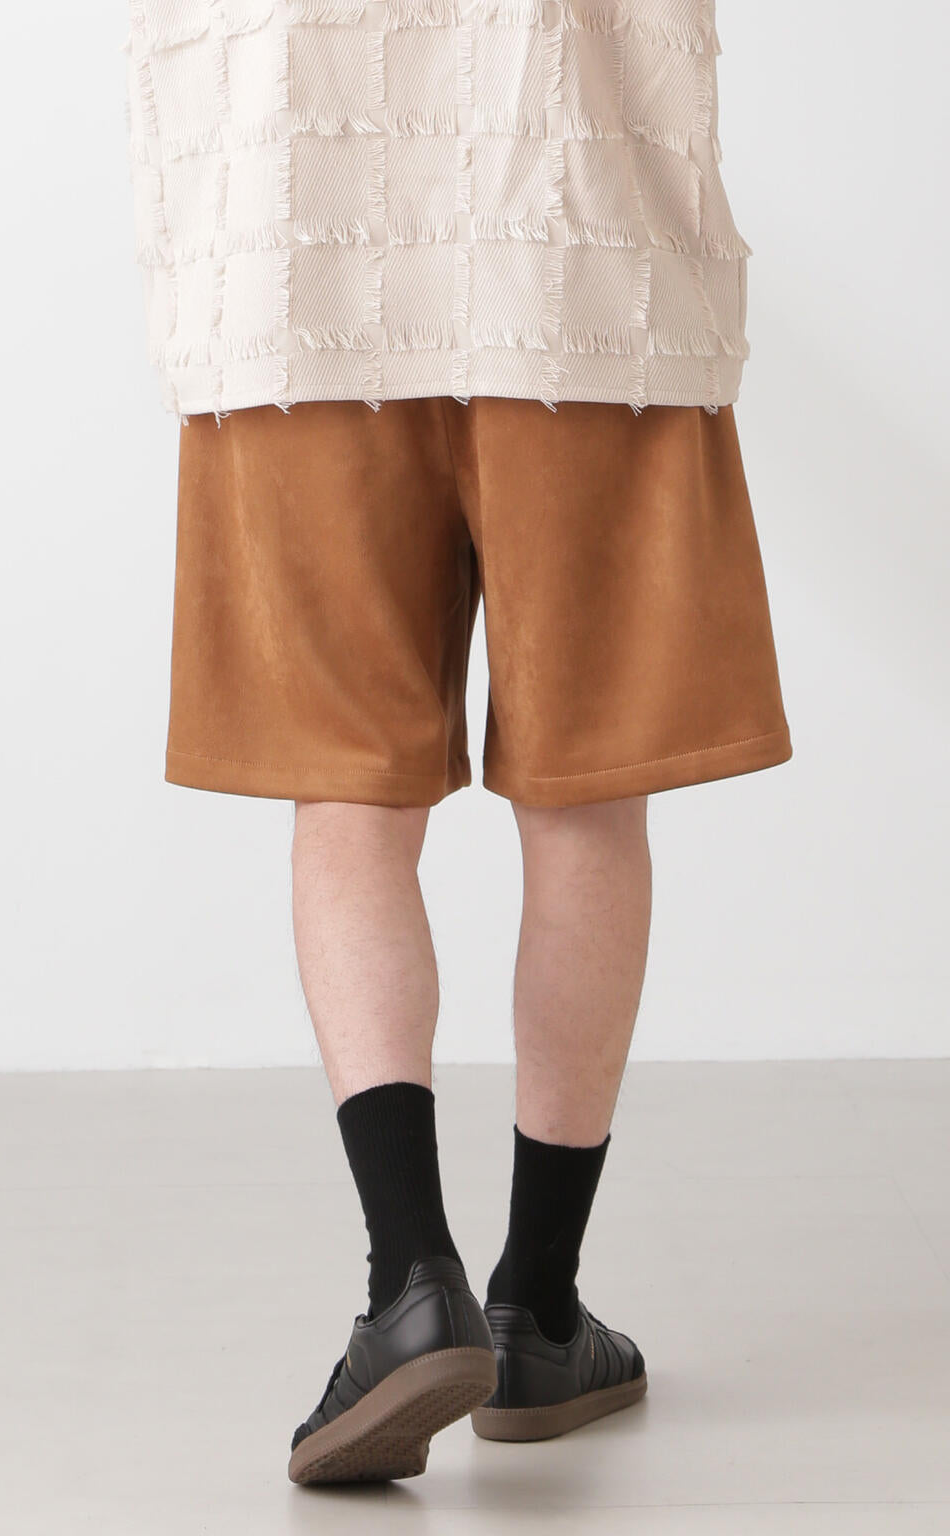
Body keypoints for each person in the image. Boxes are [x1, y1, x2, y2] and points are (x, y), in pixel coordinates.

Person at [124, 0, 790, 1486]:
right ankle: (537, 1308)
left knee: (348, 798)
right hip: (580, 251)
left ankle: (409, 1282)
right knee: (587, 795)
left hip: (295, 260)